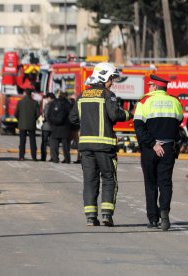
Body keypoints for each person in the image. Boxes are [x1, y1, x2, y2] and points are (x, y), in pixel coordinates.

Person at [69, 62, 131, 227]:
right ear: (105, 78)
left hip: (86, 147)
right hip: (104, 146)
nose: (112, 83)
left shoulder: (82, 95)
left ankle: (90, 216)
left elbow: (73, 118)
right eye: (111, 79)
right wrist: (127, 114)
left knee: (90, 180)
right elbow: (114, 114)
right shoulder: (107, 94)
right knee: (109, 179)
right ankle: (106, 215)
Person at [134, 74, 184, 231]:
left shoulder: (144, 101)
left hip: (150, 149)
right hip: (168, 147)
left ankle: (153, 219)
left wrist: (153, 144)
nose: (149, 88)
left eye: (150, 85)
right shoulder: (175, 102)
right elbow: (179, 122)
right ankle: (164, 215)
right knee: (165, 182)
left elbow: (138, 127)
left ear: (155, 87)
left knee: (150, 183)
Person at [15, 89, 40, 161]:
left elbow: (16, 114)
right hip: (31, 124)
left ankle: (21, 156)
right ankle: (34, 157)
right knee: (32, 141)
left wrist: (20, 119)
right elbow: (38, 114)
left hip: (22, 125)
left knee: (22, 141)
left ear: (25, 93)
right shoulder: (35, 102)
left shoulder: (20, 102)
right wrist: (33, 119)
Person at [47, 90, 72, 163]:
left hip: (54, 128)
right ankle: (67, 159)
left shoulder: (53, 103)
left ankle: (55, 159)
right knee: (66, 146)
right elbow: (71, 115)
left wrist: (51, 124)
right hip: (65, 127)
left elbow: (48, 115)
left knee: (54, 145)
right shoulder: (68, 103)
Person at [40, 93, 55, 161]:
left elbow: (45, 114)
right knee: (53, 143)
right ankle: (53, 157)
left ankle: (43, 157)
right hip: (54, 127)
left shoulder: (48, 105)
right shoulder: (57, 104)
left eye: (47, 98)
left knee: (44, 142)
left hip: (46, 126)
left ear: (49, 98)